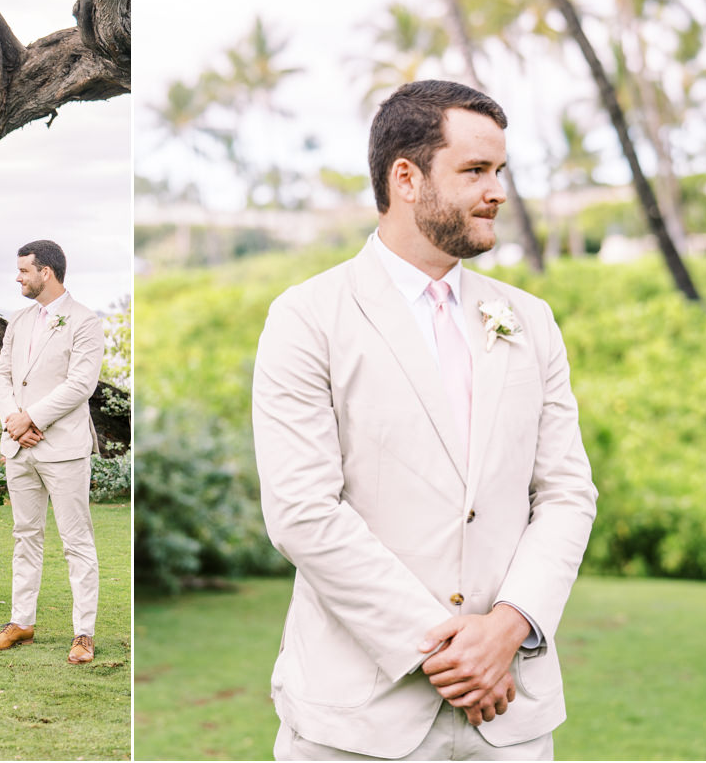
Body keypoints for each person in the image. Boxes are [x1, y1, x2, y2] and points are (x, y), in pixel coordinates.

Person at [252, 80, 598, 761]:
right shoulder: (307, 317)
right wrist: (445, 648)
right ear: (405, 178)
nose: (496, 191)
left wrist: (506, 628)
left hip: (508, 712)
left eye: (499, 171)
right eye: (474, 171)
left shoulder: (529, 319)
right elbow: (301, 511)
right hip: (358, 718)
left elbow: (565, 493)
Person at [0, 239, 104, 664]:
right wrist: (14, 421)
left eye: (24, 270)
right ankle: (21, 622)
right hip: (19, 447)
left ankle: (83, 633)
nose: (18, 277)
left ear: (46, 272)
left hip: (64, 449)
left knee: (76, 541)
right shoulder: (18, 320)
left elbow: (81, 384)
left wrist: (33, 418)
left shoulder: (85, 321)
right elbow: (3, 375)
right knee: (25, 537)